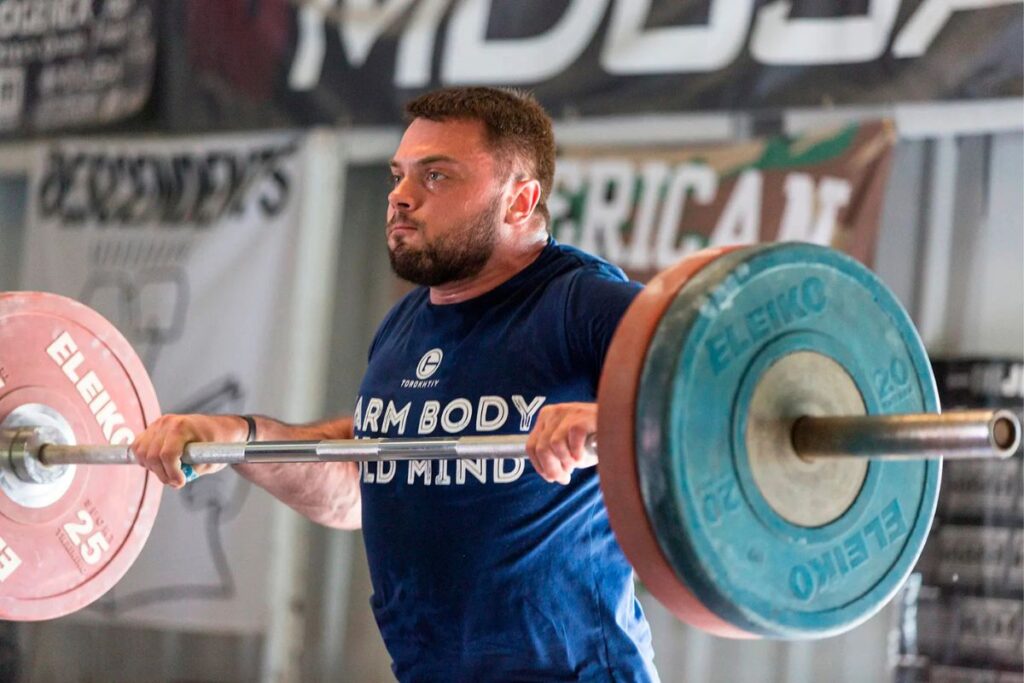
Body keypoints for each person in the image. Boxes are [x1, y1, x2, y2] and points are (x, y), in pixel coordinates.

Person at [133, 87, 658, 682]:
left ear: (520, 201)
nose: (401, 197)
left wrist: (614, 418)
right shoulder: (405, 327)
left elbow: (707, 403)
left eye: (435, 176)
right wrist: (238, 441)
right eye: (399, 175)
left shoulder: (581, 301)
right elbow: (365, 479)